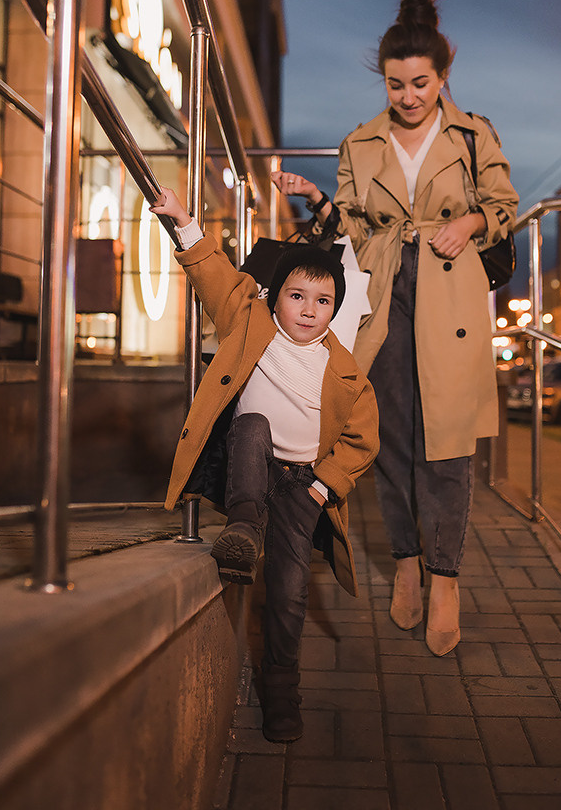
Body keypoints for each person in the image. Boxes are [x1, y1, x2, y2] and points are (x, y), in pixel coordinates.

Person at [272, 0, 518, 657]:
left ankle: (445, 580)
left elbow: (504, 205)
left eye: (420, 83)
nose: (408, 97)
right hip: (383, 297)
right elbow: (353, 229)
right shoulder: (360, 141)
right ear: (382, 79)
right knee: (390, 443)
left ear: (442, 76)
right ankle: (406, 563)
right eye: (395, 84)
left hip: (451, 297)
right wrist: (318, 199)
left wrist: (470, 221)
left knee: (448, 446)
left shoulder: (472, 135)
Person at [149, 187, 379, 741]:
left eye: (322, 301)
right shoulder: (251, 323)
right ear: (275, 296)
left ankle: (281, 691)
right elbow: (215, 277)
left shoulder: (347, 373)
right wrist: (184, 220)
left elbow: (361, 442)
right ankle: (245, 527)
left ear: (335, 309)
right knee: (251, 424)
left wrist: (322, 488)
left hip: (303, 486)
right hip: (252, 467)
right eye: (297, 296)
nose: (309, 310)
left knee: (290, 590)